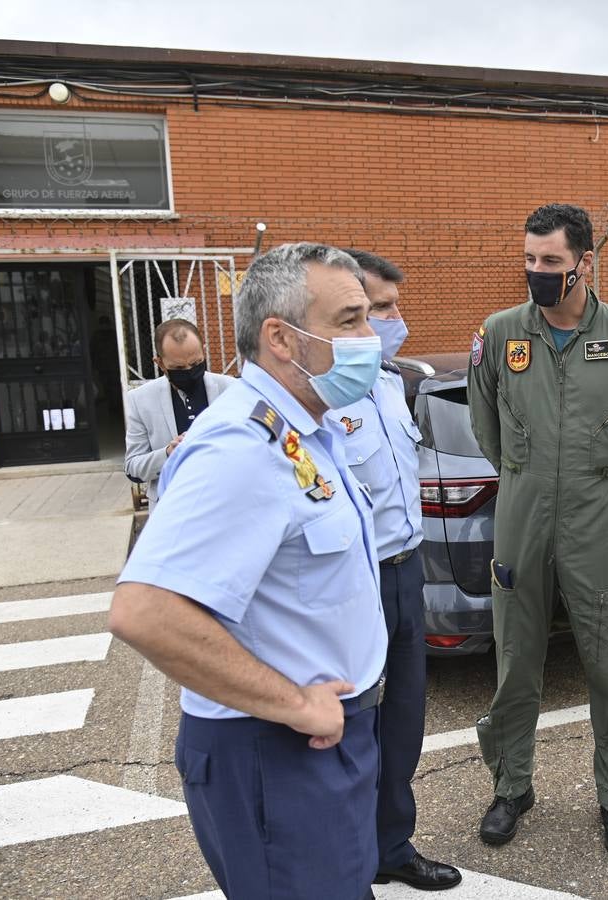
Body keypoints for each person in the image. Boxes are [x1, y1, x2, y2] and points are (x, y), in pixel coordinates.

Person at [108, 243, 389, 899]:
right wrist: (294, 704)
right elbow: (144, 610)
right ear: (281, 339)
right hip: (276, 751)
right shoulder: (242, 445)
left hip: (317, 743)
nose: (369, 338)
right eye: (349, 321)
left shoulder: (303, 429)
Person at [466, 203, 608, 858]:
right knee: (514, 659)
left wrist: (604, 477)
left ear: (584, 262)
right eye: (529, 260)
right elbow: (485, 425)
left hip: (599, 513)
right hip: (522, 511)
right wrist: (525, 476)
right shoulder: (499, 334)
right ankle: (511, 786)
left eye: (550, 262)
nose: (536, 272)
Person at [331, 249, 461, 891]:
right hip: (358, 581)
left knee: (404, 719)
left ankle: (391, 844)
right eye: (377, 309)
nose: (393, 320)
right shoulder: (323, 399)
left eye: (389, 307)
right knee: (351, 730)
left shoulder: (386, 383)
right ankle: (348, 859)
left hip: (407, 574)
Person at [122, 318, 234, 506]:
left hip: (226, 503)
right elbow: (133, 468)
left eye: (196, 362)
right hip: (171, 510)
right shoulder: (140, 400)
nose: (190, 371)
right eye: (179, 368)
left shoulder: (231, 388)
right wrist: (168, 453)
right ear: (160, 363)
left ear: (204, 351)